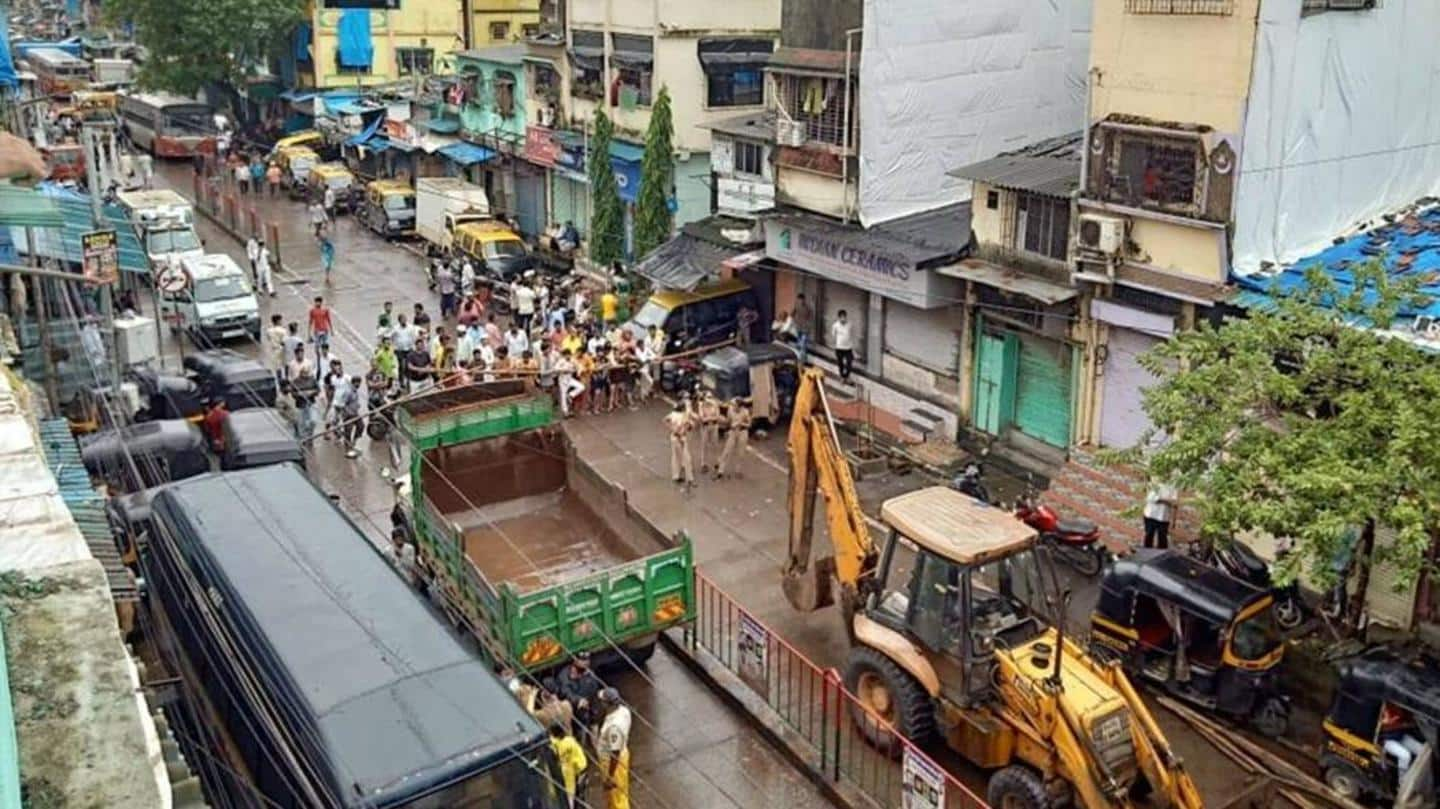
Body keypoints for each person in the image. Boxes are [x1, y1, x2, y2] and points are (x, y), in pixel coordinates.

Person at [554, 652, 604, 740]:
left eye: (587, 660)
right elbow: (565, 692)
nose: (586, 662)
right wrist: (578, 700)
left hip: (590, 708)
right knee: (580, 732)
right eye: (582, 660)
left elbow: (594, 690)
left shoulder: (589, 673)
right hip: (575, 710)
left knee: (594, 730)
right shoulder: (565, 675)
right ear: (575, 660)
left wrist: (594, 709)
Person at [596, 688, 632, 809]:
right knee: (617, 795)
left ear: (607, 704)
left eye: (602, 701)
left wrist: (610, 776)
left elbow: (615, 753)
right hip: (622, 755)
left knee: (617, 797)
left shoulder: (614, 727)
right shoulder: (623, 711)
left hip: (613, 764)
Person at [549, 723, 588, 809]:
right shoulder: (569, 740)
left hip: (577, 772)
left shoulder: (561, 745)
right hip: (581, 768)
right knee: (580, 796)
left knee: (574, 797)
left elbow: (555, 748)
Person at [717, 397, 752, 480]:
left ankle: (738, 470)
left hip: (742, 432)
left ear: (740, 406)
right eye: (734, 405)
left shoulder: (745, 412)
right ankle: (720, 470)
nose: (734, 406)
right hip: (733, 432)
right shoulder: (730, 411)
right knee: (727, 450)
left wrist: (740, 423)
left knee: (741, 452)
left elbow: (749, 425)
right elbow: (728, 421)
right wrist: (723, 423)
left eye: (735, 405)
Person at [665, 398, 694, 487]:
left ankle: (676, 476)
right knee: (686, 458)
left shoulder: (673, 414)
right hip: (680, 438)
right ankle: (689, 479)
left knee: (675, 457)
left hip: (674, 437)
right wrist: (679, 431)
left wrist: (671, 429)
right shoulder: (683, 416)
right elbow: (687, 426)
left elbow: (665, 420)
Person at [1143, 482, 1179, 549]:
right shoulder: (1155, 482)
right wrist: (1168, 501)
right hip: (1151, 516)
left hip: (1164, 518)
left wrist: (1174, 521)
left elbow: (1175, 503)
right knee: (1148, 538)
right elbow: (1152, 498)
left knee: (1163, 542)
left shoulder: (1173, 486)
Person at [336, 375, 364, 458]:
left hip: (355, 413)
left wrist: (357, 406)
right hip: (348, 415)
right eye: (357, 383)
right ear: (353, 383)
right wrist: (346, 412)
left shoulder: (355, 391)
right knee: (348, 432)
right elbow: (341, 404)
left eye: (359, 383)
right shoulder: (348, 392)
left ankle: (354, 442)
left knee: (361, 426)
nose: (358, 385)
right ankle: (348, 450)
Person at [696, 390, 722, 473]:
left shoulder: (715, 404)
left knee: (715, 444)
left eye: (711, 397)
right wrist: (710, 418)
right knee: (704, 445)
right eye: (708, 397)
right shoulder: (701, 406)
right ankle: (703, 463)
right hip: (705, 427)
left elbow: (717, 416)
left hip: (714, 426)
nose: (710, 399)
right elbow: (701, 418)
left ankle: (717, 461)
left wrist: (709, 418)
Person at [554, 349, 584, 417]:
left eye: (569, 354)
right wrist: (564, 369)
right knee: (563, 396)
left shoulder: (573, 360)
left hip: (570, 378)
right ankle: (565, 412)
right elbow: (555, 368)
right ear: (564, 355)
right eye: (566, 355)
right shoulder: (561, 361)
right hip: (562, 379)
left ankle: (571, 395)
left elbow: (580, 366)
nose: (568, 356)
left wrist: (578, 372)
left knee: (581, 387)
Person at [308, 296, 333, 366]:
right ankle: (318, 358)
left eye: (318, 302)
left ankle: (325, 357)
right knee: (316, 346)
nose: (317, 303)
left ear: (321, 303)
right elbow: (310, 321)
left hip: (324, 330)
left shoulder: (325, 310)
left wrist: (331, 330)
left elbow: (328, 319)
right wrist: (309, 333)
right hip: (317, 331)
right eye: (316, 302)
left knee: (324, 345)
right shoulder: (312, 311)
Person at [831, 309, 854, 382]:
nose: (843, 319)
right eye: (841, 317)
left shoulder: (849, 324)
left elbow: (852, 335)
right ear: (839, 317)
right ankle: (842, 376)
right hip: (839, 348)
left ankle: (846, 376)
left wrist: (853, 346)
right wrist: (834, 345)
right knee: (840, 363)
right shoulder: (835, 325)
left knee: (849, 362)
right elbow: (833, 336)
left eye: (844, 317)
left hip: (848, 348)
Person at [793, 293, 814, 364]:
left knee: (803, 344)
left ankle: (803, 360)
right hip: (798, 328)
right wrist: (795, 322)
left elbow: (811, 318)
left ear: (804, 300)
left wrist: (808, 326)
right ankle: (798, 358)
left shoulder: (808, 308)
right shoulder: (796, 306)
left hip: (805, 329)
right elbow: (792, 314)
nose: (800, 301)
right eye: (799, 300)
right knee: (798, 344)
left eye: (801, 300)